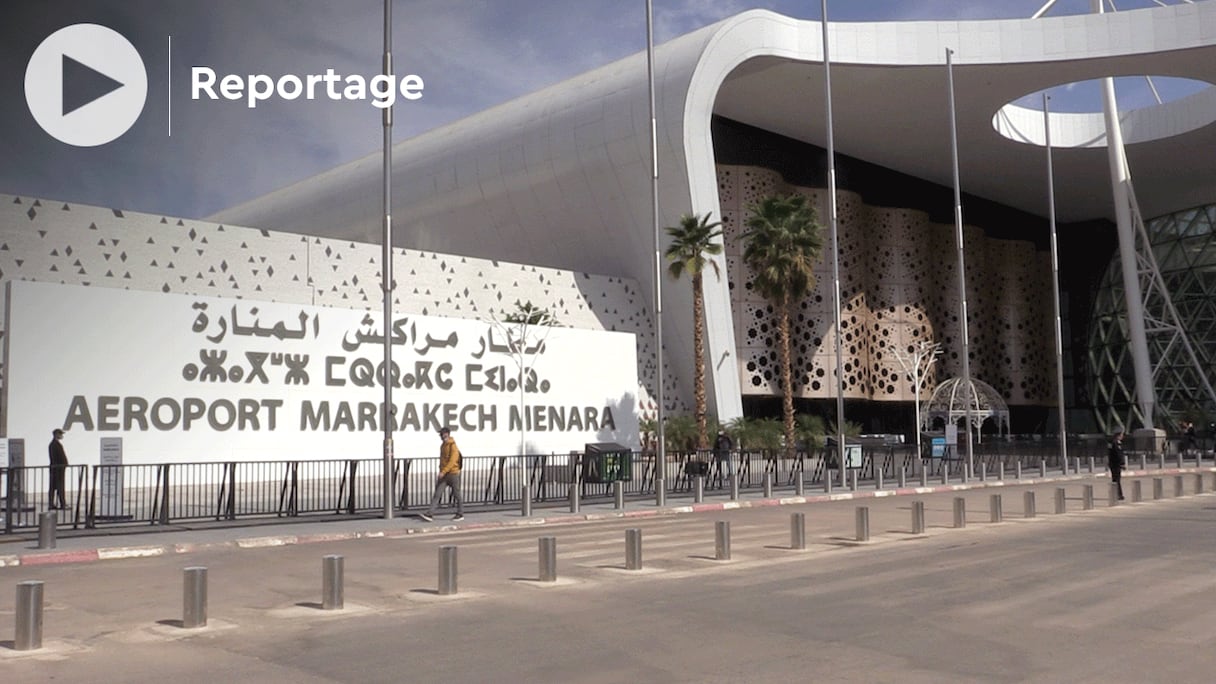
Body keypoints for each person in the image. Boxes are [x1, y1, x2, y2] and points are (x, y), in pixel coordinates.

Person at [420, 427, 464, 522]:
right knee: (437, 494)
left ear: (447, 434)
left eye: (442, 434)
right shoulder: (443, 445)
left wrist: (443, 471)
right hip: (444, 474)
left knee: (457, 494)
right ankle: (430, 513)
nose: (441, 436)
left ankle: (460, 513)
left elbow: (452, 461)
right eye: (440, 434)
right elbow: (443, 460)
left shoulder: (453, 446)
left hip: (453, 474)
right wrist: (442, 470)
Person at [48, 428, 68, 509]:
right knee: (59, 487)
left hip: (56, 469)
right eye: (60, 434)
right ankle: (62, 504)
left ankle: (52, 504)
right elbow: (59, 457)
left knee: (54, 487)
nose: (62, 436)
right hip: (58, 469)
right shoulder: (55, 445)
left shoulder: (53, 444)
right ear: (56, 434)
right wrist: (64, 464)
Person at [1108, 428, 1125, 501]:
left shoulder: (1111, 443)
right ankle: (1118, 495)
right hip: (1116, 464)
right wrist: (1122, 463)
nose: (1122, 436)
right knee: (1117, 479)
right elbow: (1119, 455)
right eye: (1121, 434)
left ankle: (1116, 494)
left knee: (1114, 479)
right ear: (1118, 435)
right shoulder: (1116, 443)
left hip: (1112, 464)